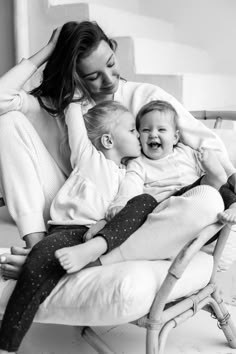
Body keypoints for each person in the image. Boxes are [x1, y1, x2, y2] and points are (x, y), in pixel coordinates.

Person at [0, 20, 234, 277]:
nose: (109, 79)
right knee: (8, 121)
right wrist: (48, 51)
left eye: (111, 63)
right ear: (74, 75)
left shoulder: (143, 96)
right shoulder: (61, 107)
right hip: (74, 205)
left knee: (204, 202)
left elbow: (205, 143)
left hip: (130, 212)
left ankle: (61, 261)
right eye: (93, 76)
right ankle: (37, 249)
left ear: (113, 49)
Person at [0, 99, 144, 353]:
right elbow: (74, 119)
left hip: (86, 235)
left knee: (39, 262)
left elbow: (125, 209)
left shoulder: (130, 175)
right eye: (132, 130)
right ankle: (7, 343)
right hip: (61, 231)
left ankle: (7, 341)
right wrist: (77, 99)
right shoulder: (88, 158)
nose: (139, 135)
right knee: (41, 261)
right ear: (108, 141)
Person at [55, 100, 236, 273]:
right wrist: (121, 204)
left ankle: (226, 195)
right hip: (166, 209)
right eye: (145, 130)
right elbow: (130, 186)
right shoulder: (138, 163)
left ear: (175, 137)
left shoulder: (188, 153)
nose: (153, 134)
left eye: (162, 129)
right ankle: (214, 181)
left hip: (199, 207)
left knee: (221, 191)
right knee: (144, 201)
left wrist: (209, 162)